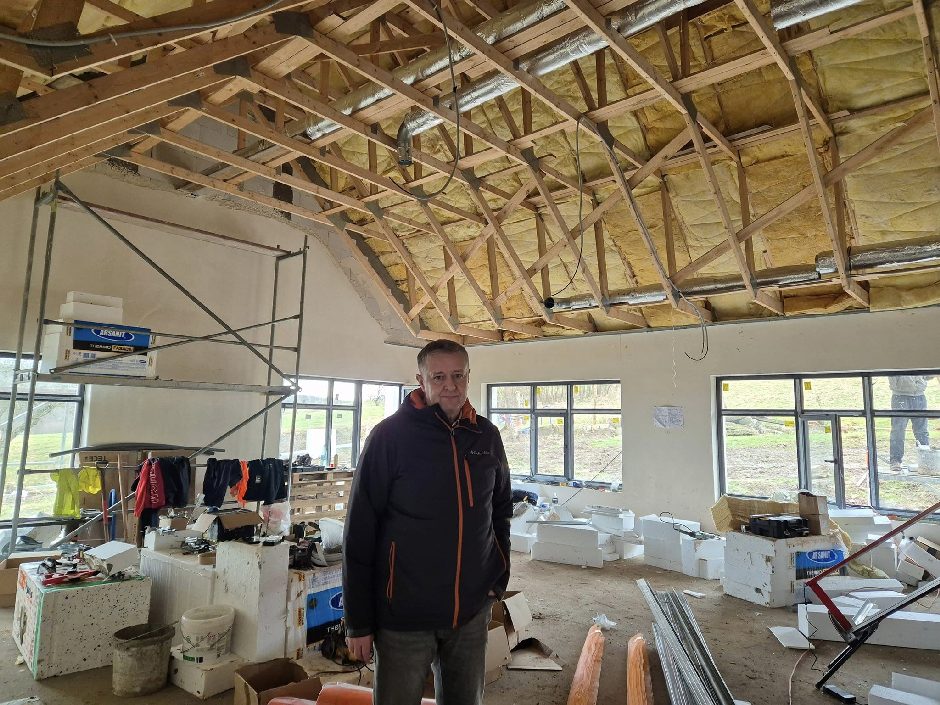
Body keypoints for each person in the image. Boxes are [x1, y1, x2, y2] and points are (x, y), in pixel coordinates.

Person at [342, 339, 512, 705]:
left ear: (469, 376)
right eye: (439, 377)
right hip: (404, 616)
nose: (450, 385)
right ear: (421, 380)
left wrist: (498, 578)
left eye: (458, 375)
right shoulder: (390, 437)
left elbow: (500, 511)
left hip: (469, 613)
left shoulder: (486, 436)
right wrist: (358, 622)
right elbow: (360, 531)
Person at [889, 375, 936, 473]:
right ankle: (895, 461)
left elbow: (927, 375)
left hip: (920, 397)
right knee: (898, 431)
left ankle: (925, 462)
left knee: (922, 431)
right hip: (900, 396)